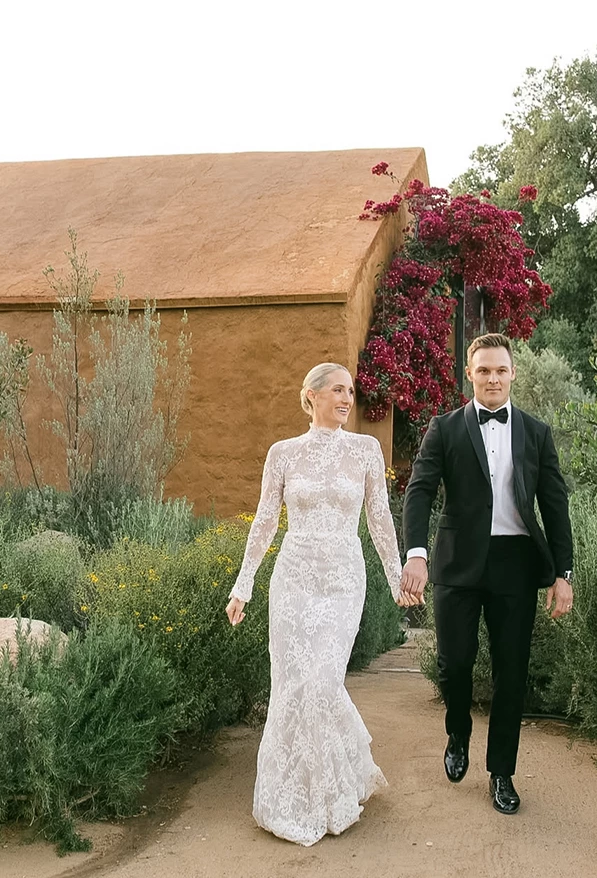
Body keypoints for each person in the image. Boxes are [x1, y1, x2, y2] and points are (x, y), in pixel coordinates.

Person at [225, 362, 419, 846]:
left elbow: (379, 520)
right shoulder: (283, 453)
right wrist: (243, 583)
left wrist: (397, 578)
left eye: (350, 391)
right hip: (293, 579)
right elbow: (266, 520)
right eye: (337, 390)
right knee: (293, 686)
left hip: (341, 581)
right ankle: (295, 798)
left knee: (322, 681)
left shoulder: (366, 450)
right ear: (310, 396)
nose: (346, 399)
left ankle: (336, 787)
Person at [400, 332, 574, 815]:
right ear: (469, 375)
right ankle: (458, 732)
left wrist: (564, 573)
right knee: (455, 664)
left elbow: (555, 506)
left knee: (511, 673)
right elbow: (418, 491)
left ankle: (501, 772)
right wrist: (415, 553)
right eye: (484, 370)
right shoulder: (445, 428)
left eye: (500, 370)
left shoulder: (537, 433)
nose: (493, 378)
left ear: (513, 373)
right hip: (457, 564)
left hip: (515, 565)